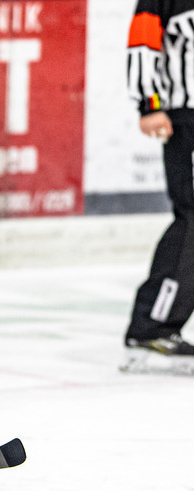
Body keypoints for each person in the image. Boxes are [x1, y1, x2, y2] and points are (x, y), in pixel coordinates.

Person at [122, 0, 194, 374]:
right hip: (188, 117)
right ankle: (152, 325)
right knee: (192, 218)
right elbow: (142, 44)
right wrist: (150, 104)